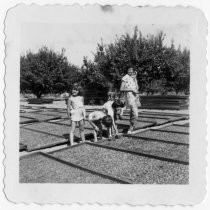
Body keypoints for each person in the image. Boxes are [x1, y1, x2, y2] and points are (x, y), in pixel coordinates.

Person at [120, 67, 140, 133]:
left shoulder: (134, 78)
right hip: (129, 97)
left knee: (132, 113)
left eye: (132, 71)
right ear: (127, 71)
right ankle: (131, 127)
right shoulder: (125, 77)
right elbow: (121, 89)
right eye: (129, 71)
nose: (130, 73)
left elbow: (137, 88)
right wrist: (131, 90)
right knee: (135, 114)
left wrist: (135, 79)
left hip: (136, 97)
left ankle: (131, 126)